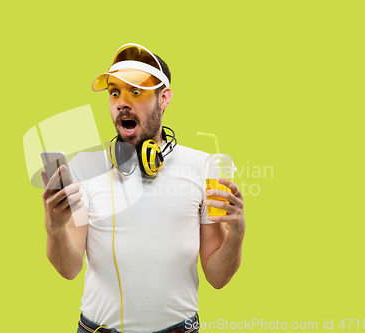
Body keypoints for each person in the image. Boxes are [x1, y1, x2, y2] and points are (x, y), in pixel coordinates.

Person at [41, 43, 246, 333]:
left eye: (136, 92)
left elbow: (217, 276)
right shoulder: (85, 169)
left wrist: (236, 235)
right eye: (115, 92)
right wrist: (55, 227)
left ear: (164, 98)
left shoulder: (203, 168)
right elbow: (68, 268)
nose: (122, 102)